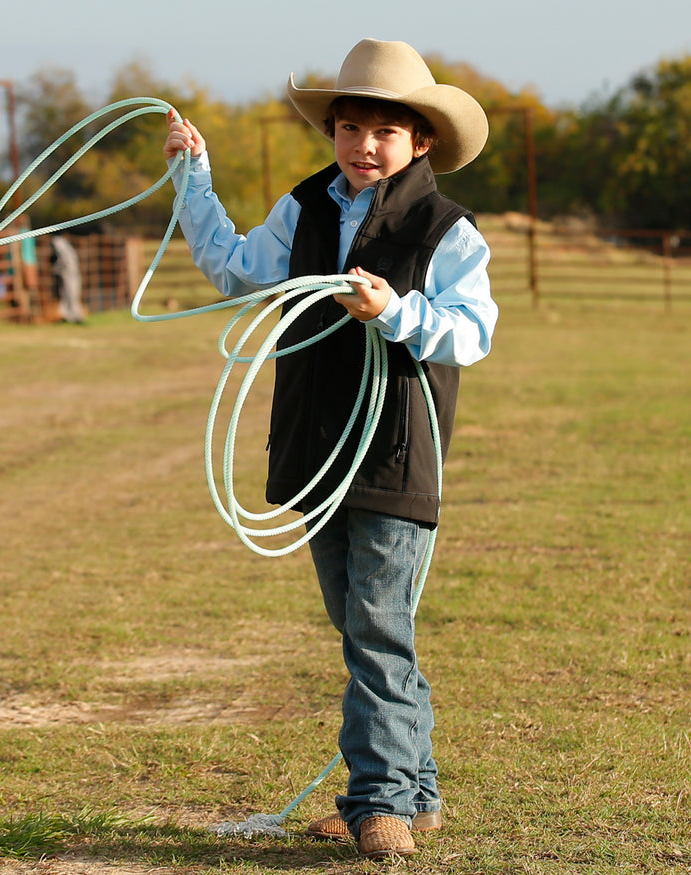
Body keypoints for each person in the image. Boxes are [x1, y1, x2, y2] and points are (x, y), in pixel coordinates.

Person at [164, 38, 498, 859]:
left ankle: (376, 799)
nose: (362, 145)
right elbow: (239, 272)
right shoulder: (307, 206)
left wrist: (396, 312)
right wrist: (192, 179)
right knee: (362, 624)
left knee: (377, 626)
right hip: (316, 447)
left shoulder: (445, 230)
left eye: (383, 131)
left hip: (393, 454)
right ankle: (413, 794)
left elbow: (473, 332)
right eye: (348, 127)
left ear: (420, 141)